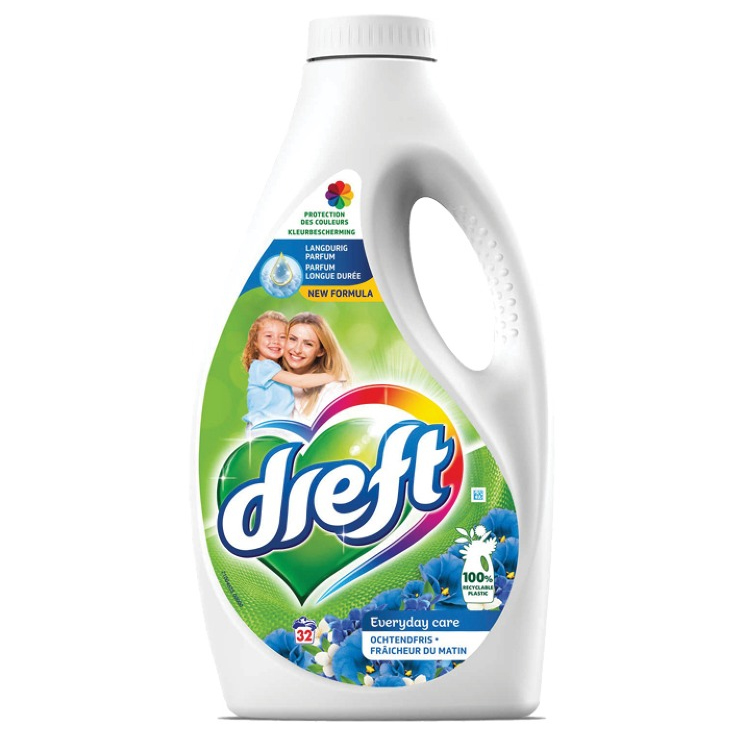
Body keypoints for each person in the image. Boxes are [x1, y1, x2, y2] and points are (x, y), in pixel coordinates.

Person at [241, 311, 336, 427]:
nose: (275, 341)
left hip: (275, 428)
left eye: (282, 337)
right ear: (255, 341)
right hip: (264, 428)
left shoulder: (276, 369)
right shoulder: (263, 367)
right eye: (268, 336)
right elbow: (300, 381)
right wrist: (333, 376)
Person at [283, 312, 352, 425]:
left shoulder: (332, 389)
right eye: (292, 339)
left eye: (308, 344)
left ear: (321, 351)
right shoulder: (272, 375)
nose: (297, 349)